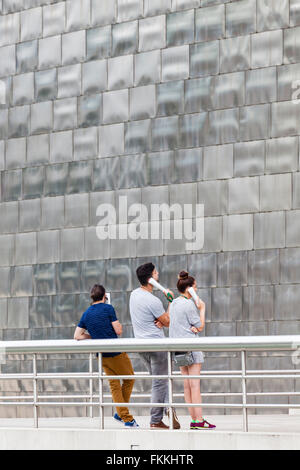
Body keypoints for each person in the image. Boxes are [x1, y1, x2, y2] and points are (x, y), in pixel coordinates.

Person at [74, 284, 138, 428]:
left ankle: (122, 414)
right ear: (104, 297)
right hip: (115, 352)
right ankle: (124, 416)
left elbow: (77, 335)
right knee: (129, 379)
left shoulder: (87, 313)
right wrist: (118, 326)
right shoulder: (108, 308)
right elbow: (118, 330)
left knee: (114, 385)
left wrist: (94, 337)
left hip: (101, 354)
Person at [129, 262, 180, 430]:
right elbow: (168, 321)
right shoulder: (153, 300)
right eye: (156, 272)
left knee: (160, 382)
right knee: (160, 381)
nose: (159, 274)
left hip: (141, 346)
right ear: (151, 279)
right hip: (157, 346)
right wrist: (170, 302)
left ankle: (167, 408)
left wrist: (160, 319)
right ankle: (156, 419)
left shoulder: (134, 295)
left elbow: (158, 319)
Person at [169, 271, 216, 430]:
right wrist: (202, 309)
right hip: (191, 347)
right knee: (195, 385)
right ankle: (199, 420)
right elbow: (200, 326)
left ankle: (194, 419)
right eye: (195, 287)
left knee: (187, 385)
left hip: (178, 348)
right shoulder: (189, 304)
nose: (196, 290)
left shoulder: (174, 303)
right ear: (190, 289)